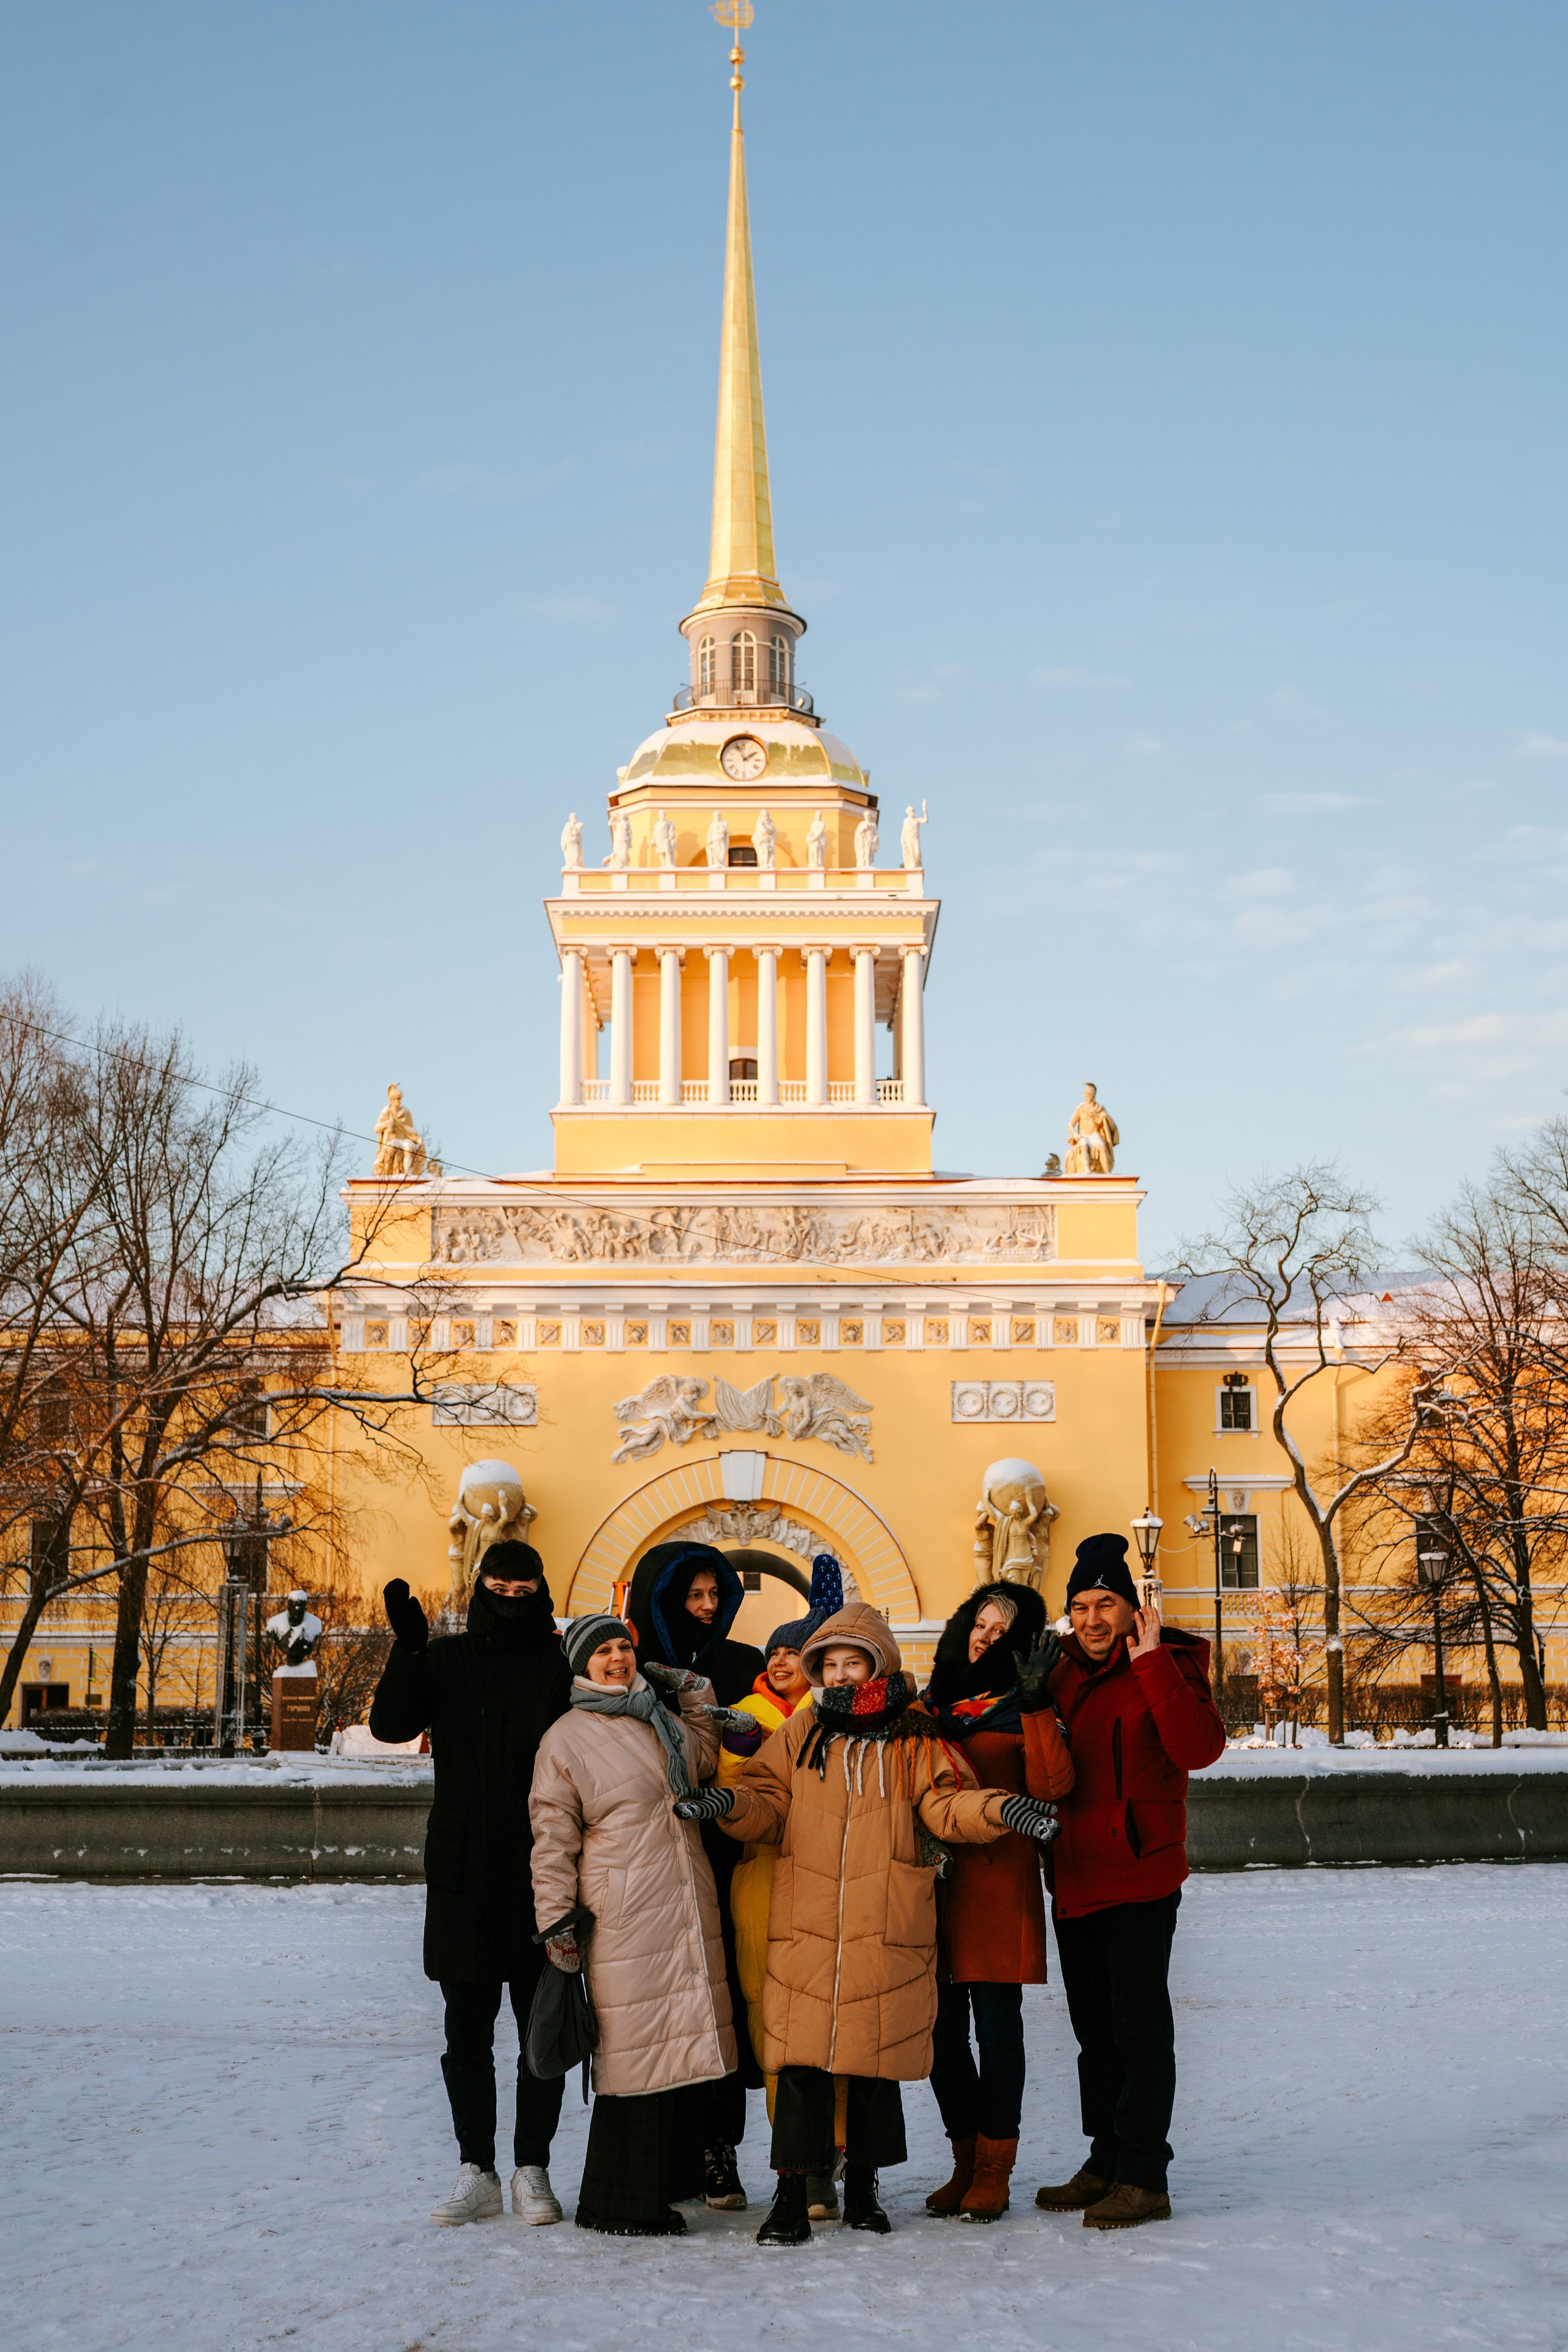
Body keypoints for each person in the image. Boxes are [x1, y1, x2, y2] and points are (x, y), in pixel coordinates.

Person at [676, 1602, 1060, 2246]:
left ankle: (863, 2189)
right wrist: (729, 1803)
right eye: (830, 1664)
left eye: (854, 1662)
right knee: (799, 2063)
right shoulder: (801, 1730)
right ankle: (791, 2197)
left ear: (877, 1663)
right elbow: (767, 1802)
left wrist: (1002, 1808)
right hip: (809, 1921)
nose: (843, 1675)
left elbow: (944, 1802)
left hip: (887, 1917)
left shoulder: (914, 1733)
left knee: (875, 2060)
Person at [368, 1539, 571, 2229]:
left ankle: (531, 2167)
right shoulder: (448, 1659)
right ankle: (476, 2169)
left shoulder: (558, 1663)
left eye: (523, 1590)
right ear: (481, 1585)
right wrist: (410, 1649)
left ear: (539, 1590)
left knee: (539, 2033)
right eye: (498, 1588)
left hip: (541, 1872)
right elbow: (391, 1725)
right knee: (467, 2034)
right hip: (462, 1874)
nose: (510, 1601)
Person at [1036, 1532, 1225, 2231]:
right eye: (1080, 1606)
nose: (1091, 1619)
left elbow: (1197, 1749)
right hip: (1075, 1874)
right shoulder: (1054, 1673)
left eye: (1105, 1603)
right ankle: (1106, 2157)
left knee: (1139, 2030)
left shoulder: (1170, 1662)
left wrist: (1150, 1665)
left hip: (1141, 1876)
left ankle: (1144, 2174)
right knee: (1093, 2032)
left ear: (1130, 1609)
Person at [529, 1614, 737, 2237]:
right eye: (603, 1652)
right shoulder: (565, 1739)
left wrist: (698, 1697)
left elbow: (700, 1761)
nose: (617, 1658)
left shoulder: (657, 1717)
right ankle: (617, 2203)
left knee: (676, 2043)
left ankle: (670, 2184)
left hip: (681, 1899)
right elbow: (551, 1840)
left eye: (623, 1647)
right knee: (633, 2053)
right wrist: (556, 1922)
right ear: (580, 1665)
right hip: (623, 1912)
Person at [919, 1583, 1075, 2221]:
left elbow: (1051, 1784)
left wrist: (1036, 1704)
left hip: (994, 1882)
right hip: (932, 1883)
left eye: (1001, 1630)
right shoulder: (934, 1699)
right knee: (940, 2034)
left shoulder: (1023, 1704)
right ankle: (963, 2161)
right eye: (980, 1622)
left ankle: (994, 2170)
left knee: (996, 2028)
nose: (985, 1636)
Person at [625, 1540, 764, 2207]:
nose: (708, 1608)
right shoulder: (631, 1672)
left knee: (722, 2005)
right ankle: (663, 2150)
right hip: (649, 1860)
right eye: (694, 1596)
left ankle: (719, 2150)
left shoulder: (742, 1664)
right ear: (661, 1598)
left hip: (726, 1852)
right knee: (656, 2006)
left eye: (717, 1595)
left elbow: (766, 1749)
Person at [715, 1608, 843, 2219]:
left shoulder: (845, 1713)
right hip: (763, 1880)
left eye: (794, 1651)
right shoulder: (744, 1715)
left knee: (832, 2025)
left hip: (831, 1884)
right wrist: (744, 1746)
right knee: (774, 2028)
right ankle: (799, 2162)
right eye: (774, 1653)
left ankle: (834, 2153)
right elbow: (732, 1793)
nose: (780, 1660)